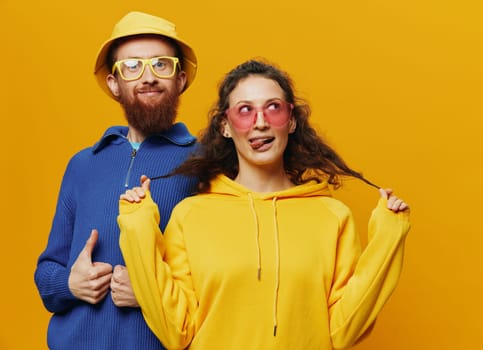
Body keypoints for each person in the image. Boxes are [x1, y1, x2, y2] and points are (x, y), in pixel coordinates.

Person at [118, 59, 411, 350]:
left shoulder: (332, 216)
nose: (260, 122)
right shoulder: (190, 215)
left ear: (292, 120)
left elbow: (343, 332)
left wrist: (389, 237)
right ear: (225, 126)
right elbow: (175, 331)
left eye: (273, 108)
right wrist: (137, 226)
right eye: (245, 110)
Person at [34, 11, 199, 349]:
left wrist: (153, 293)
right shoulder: (82, 165)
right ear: (113, 83)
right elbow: (46, 273)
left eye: (161, 65)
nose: (148, 77)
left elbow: (224, 283)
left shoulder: (208, 163)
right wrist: (70, 283)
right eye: (132, 66)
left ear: (180, 79)